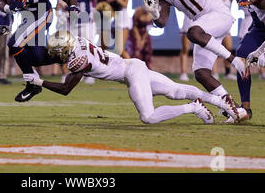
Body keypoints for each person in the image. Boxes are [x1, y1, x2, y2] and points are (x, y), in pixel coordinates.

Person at [23, 31, 239, 125]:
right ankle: (221, 102)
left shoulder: (78, 61)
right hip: (133, 65)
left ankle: (193, 107)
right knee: (175, 90)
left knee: (149, 117)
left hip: (130, 73)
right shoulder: (78, 41)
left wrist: (39, 81)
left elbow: (65, 89)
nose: (53, 56)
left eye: (55, 52)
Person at [143, 0, 248, 122]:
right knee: (201, 73)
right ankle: (234, 109)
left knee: (192, 32)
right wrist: (154, 13)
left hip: (218, 16)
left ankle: (234, 60)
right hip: (203, 28)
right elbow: (162, 22)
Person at [0, 0, 79, 102]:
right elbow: (1, 1)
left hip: (42, 13)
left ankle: (32, 84)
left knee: (14, 43)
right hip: (25, 17)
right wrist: (10, 8)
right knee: (35, 58)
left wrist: (73, 6)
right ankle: (67, 57)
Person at [211, 0, 239, 80]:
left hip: (226, 28)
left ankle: (227, 73)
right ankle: (214, 73)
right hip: (215, 27)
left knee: (228, 50)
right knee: (214, 51)